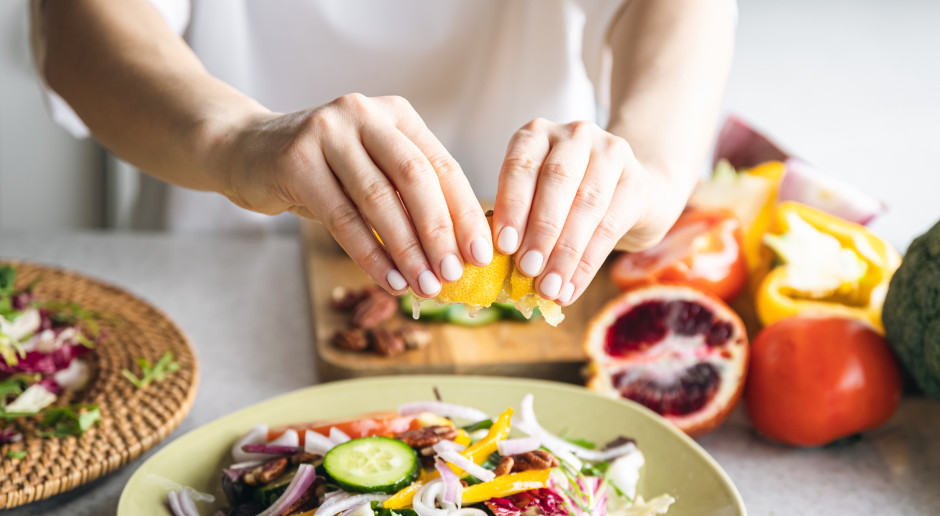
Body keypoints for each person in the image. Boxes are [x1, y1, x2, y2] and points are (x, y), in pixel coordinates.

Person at [30, 0, 735, 306]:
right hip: (214, 264)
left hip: (532, 271)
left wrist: (655, 164)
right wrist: (237, 140)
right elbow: (81, 31)